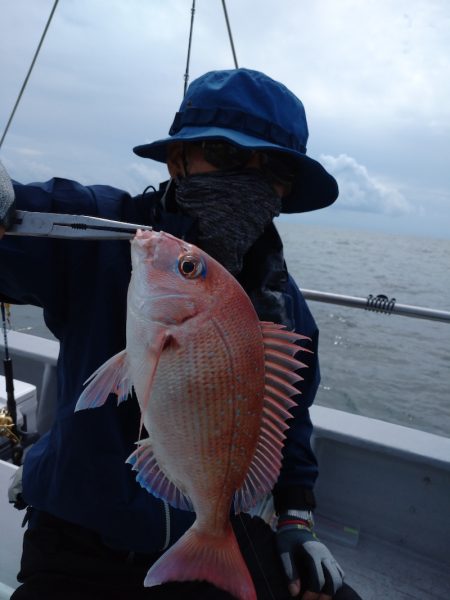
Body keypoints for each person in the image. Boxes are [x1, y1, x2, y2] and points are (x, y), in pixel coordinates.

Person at [0, 68, 362, 600]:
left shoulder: (284, 304)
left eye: (275, 167)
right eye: (227, 153)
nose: (250, 179)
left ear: (285, 189)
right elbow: (27, 229)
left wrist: (296, 518)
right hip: (79, 538)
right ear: (178, 161)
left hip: (214, 521)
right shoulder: (107, 231)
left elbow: (290, 420)